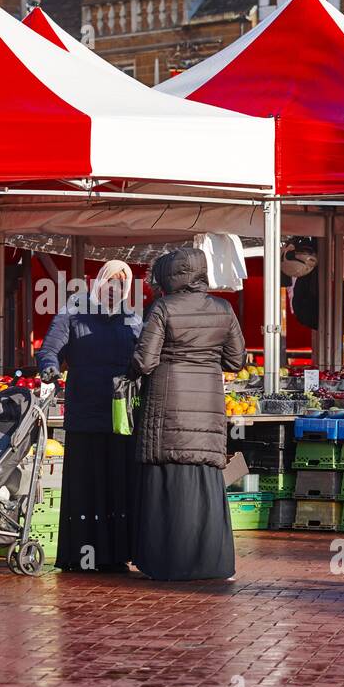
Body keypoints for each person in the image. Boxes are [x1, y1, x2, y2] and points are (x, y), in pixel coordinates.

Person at [128, 247, 245, 582]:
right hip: (208, 404)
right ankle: (213, 563)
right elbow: (236, 361)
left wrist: (128, 371)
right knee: (206, 483)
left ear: (169, 276)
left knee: (168, 484)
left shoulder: (164, 307)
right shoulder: (223, 308)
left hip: (167, 404)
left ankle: (168, 562)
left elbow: (144, 361)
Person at [36, 260, 141, 572]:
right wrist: (49, 368)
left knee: (117, 485)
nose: (115, 289)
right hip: (84, 414)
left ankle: (116, 556)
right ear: (99, 282)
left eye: (122, 284)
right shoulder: (74, 312)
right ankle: (82, 557)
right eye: (111, 281)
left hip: (121, 416)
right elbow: (48, 349)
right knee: (87, 486)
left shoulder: (133, 321)